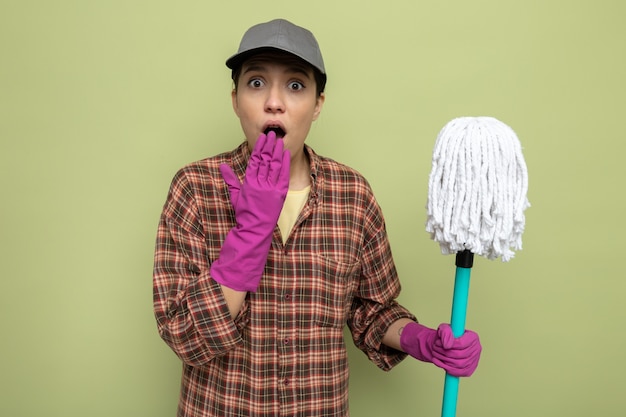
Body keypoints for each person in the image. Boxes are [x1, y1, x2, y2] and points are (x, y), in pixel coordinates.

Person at [153, 18, 482, 417]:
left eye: (295, 86)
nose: (275, 102)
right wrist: (249, 234)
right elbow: (183, 335)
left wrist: (419, 339)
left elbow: (371, 309)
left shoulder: (352, 194)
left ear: (318, 104)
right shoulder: (195, 187)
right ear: (235, 98)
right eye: (256, 83)